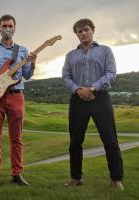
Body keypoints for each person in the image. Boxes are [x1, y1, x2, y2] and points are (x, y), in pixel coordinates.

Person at [62, 18, 124, 190]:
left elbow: (111, 73)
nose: (83, 33)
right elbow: (66, 77)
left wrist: (93, 88)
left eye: (86, 30)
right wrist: (78, 90)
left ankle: (116, 179)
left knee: (110, 139)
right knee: (75, 141)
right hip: (77, 100)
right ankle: (76, 178)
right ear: (76, 34)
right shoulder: (70, 56)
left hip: (101, 98)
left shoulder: (105, 51)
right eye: (79, 31)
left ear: (92, 30)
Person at [0, 14, 37, 187]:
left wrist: (33, 64)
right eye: (4, 25)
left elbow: (26, 75)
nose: (7, 28)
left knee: (17, 138)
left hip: (16, 95)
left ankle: (17, 173)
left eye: (10, 26)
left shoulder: (22, 50)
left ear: (15, 28)